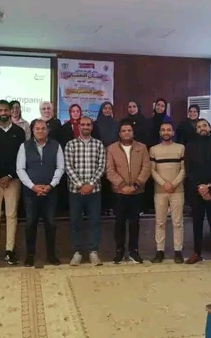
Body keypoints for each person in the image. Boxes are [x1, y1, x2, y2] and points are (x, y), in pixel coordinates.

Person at [16, 119, 65, 267]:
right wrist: (33, 187)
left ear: (47, 130)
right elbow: (20, 169)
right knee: (31, 223)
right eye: (37, 128)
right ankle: (30, 255)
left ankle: (51, 255)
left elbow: (60, 167)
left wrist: (51, 185)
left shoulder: (56, 145)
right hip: (31, 192)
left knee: (51, 223)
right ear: (32, 130)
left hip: (51, 191)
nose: (40, 131)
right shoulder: (24, 146)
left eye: (43, 128)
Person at [0, 100, 26, 266]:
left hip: (13, 179)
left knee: (11, 215)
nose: (3, 113)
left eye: (5, 110)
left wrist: (9, 175)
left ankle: (9, 251)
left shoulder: (19, 132)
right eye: (0, 110)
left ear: (10, 111)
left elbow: (21, 157)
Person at [106, 120, 151, 264]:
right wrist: (122, 186)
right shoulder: (111, 148)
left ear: (133, 132)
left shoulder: (142, 148)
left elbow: (146, 168)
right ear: (119, 133)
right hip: (119, 193)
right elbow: (110, 170)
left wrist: (136, 185)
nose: (126, 133)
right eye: (124, 131)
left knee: (134, 223)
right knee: (119, 223)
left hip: (137, 192)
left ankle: (133, 251)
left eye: (129, 130)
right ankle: (119, 251)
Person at [184, 119, 211, 267]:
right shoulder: (190, 146)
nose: (202, 128)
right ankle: (197, 253)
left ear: (209, 127)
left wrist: (209, 186)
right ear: (196, 130)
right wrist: (200, 187)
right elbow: (189, 169)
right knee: (197, 223)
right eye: (198, 127)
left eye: (204, 125)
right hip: (196, 191)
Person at [64, 116, 106, 266]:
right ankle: (77, 252)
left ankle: (93, 251)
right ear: (78, 126)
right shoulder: (70, 144)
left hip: (94, 190)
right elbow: (68, 166)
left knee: (95, 221)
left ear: (92, 127)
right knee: (75, 221)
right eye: (83, 124)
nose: (85, 127)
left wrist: (91, 184)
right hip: (75, 191)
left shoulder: (99, 144)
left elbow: (102, 166)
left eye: (88, 124)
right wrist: (80, 185)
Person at [149, 122, 185, 264]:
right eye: (163, 130)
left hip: (177, 190)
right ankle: (160, 251)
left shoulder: (181, 148)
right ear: (160, 132)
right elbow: (152, 170)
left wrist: (173, 184)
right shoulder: (153, 150)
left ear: (173, 132)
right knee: (160, 222)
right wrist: (164, 184)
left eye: (168, 130)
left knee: (177, 222)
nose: (166, 132)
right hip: (160, 190)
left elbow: (184, 169)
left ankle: (178, 251)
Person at [92, 101, 118, 215]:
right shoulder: (95, 124)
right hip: (98, 155)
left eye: (109, 108)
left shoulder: (116, 124)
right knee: (100, 180)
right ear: (101, 110)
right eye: (105, 108)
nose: (107, 110)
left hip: (113, 155)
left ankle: (111, 207)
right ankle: (101, 207)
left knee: (111, 179)